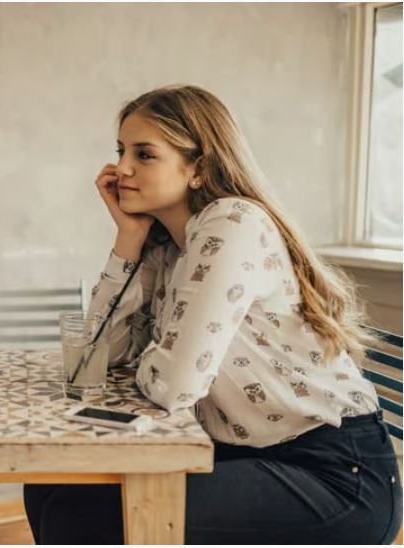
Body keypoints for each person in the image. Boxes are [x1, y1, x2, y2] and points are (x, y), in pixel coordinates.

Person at [24, 85, 401, 544]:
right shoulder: (167, 246)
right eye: (121, 150)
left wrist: (164, 359)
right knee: (52, 484)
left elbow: (176, 385)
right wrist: (128, 238)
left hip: (334, 474)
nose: (121, 168)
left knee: (83, 515)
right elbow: (97, 360)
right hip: (241, 453)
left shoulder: (233, 222)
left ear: (198, 168)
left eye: (144, 154)